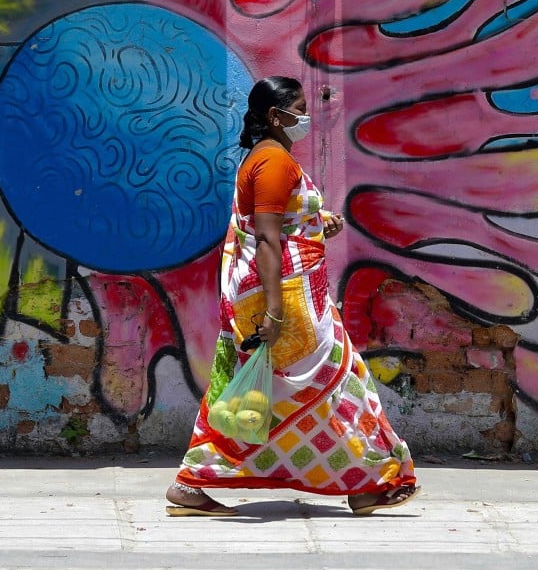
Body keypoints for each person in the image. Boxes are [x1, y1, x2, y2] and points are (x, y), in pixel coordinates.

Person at [165, 76, 419, 517]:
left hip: (295, 292)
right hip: (287, 298)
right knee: (336, 381)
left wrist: (319, 223)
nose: (306, 116)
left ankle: (361, 483)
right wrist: (276, 310)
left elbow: (281, 225)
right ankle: (367, 480)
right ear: (275, 116)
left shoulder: (270, 160)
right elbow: (265, 238)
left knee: (285, 388)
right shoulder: (274, 163)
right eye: (299, 108)